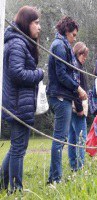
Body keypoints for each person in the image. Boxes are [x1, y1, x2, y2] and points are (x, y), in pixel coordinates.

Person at [0, 6, 44, 193]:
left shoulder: (21, 42)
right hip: (17, 104)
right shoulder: (17, 43)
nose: (39, 27)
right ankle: (15, 190)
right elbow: (17, 73)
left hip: (21, 103)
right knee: (18, 149)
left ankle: (2, 184)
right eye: (36, 22)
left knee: (18, 146)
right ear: (27, 24)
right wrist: (38, 74)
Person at [46, 16, 87, 184]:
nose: (75, 39)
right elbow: (62, 74)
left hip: (64, 96)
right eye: (74, 35)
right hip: (60, 97)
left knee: (62, 138)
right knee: (60, 139)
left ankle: (54, 177)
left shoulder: (62, 45)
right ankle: (55, 179)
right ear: (66, 31)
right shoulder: (59, 46)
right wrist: (77, 88)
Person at [68, 42, 89, 172]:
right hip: (77, 107)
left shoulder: (76, 65)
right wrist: (80, 109)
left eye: (85, 54)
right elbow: (75, 89)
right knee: (81, 137)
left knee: (72, 135)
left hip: (73, 107)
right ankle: (79, 167)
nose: (84, 57)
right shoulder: (76, 66)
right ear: (77, 53)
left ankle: (73, 165)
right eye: (82, 54)